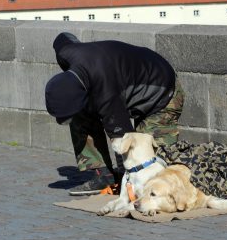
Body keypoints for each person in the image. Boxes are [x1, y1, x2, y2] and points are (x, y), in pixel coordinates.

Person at [45, 32, 185, 195]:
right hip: (123, 80)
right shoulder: (66, 53)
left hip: (162, 91)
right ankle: (102, 175)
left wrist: (128, 180)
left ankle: (124, 179)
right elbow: (63, 37)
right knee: (81, 115)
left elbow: (123, 140)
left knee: (150, 167)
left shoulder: (106, 92)